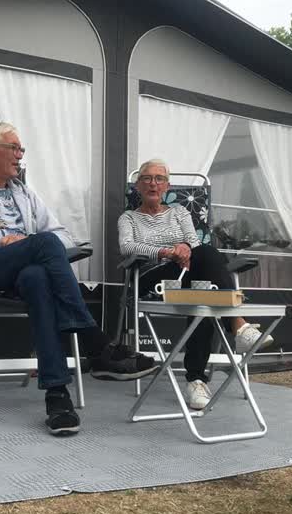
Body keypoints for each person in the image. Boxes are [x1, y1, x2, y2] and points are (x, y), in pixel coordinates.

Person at [0, 122, 157, 436]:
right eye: (14, 148)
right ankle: (96, 343)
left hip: (22, 273)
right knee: (43, 245)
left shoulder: (23, 193)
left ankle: (57, 396)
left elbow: (61, 235)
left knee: (38, 276)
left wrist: (36, 249)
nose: (20, 155)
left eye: (21, 149)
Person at [117, 158, 275, 410]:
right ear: (138, 186)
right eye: (146, 178)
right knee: (207, 259)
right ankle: (237, 325)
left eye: (159, 179)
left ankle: (196, 382)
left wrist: (184, 247)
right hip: (152, 278)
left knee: (204, 293)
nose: (153, 183)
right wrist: (167, 252)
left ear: (167, 186)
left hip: (187, 275)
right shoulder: (129, 218)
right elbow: (127, 247)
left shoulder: (180, 212)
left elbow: (193, 241)